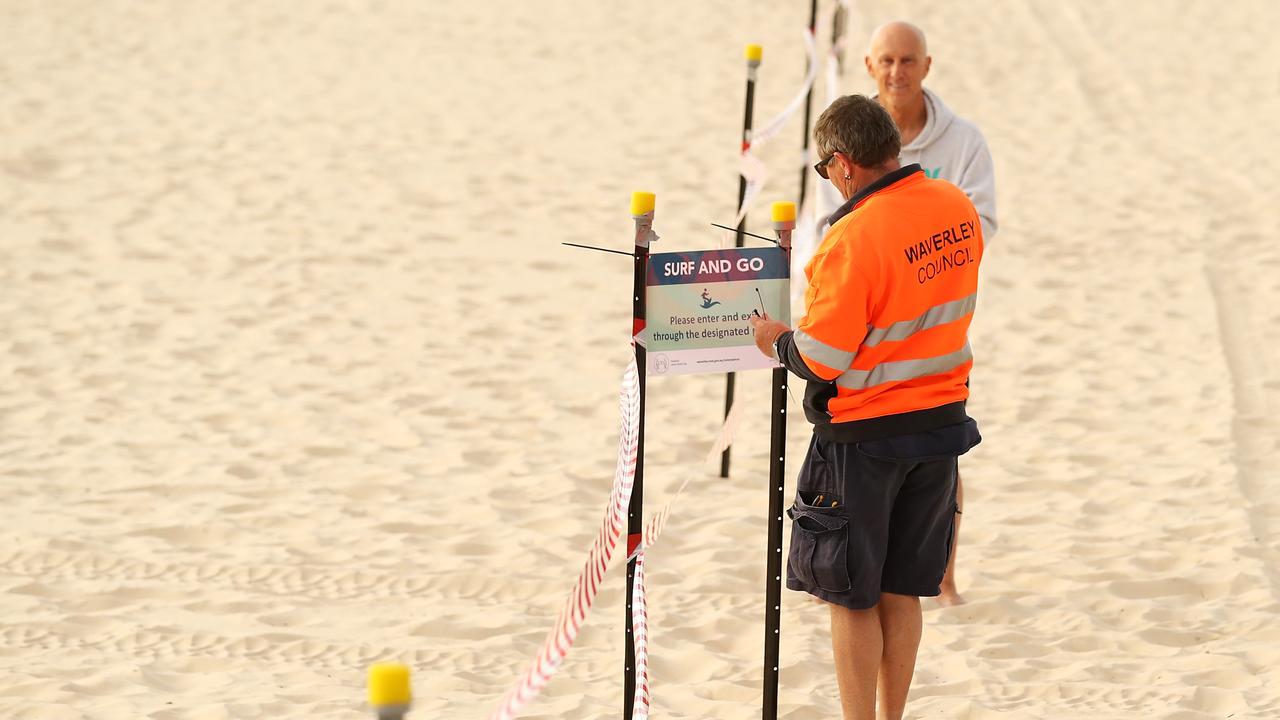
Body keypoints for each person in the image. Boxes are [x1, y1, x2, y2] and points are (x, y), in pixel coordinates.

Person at [749, 95, 983, 720]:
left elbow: (823, 356)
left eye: (826, 169)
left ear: (844, 164)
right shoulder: (954, 205)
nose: (828, 179)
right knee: (902, 588)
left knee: (852, 595)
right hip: (941, 423)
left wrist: (776, 340)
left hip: (866, 434)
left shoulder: (851, 237)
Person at [865, 20, 997, 604]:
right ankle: (852, 572)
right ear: (870, 67)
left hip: (940, 320)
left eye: (908, 60)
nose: (898, 72)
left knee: (940, 446)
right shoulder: (849, 132)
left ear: (927, 65)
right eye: (887, 61)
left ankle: (944, 577)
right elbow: (829, 231)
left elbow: (981, 224)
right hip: (867, 319)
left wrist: (917, 261)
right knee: (860, 454)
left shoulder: (964, 141)